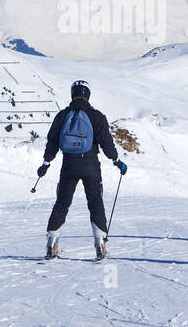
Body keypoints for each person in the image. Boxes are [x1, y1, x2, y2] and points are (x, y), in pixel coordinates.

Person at [38, 80, 126, 261]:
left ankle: (52, 243)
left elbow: (52, 142)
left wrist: (46, 164)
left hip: (68, 165)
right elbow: (107, 143)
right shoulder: (96, 116)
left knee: (62, 204)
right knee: (95, 202)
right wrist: (117, 161)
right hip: (91, 165)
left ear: (73, 95)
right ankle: (100, 243)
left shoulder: (62, 116)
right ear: (88, 95)